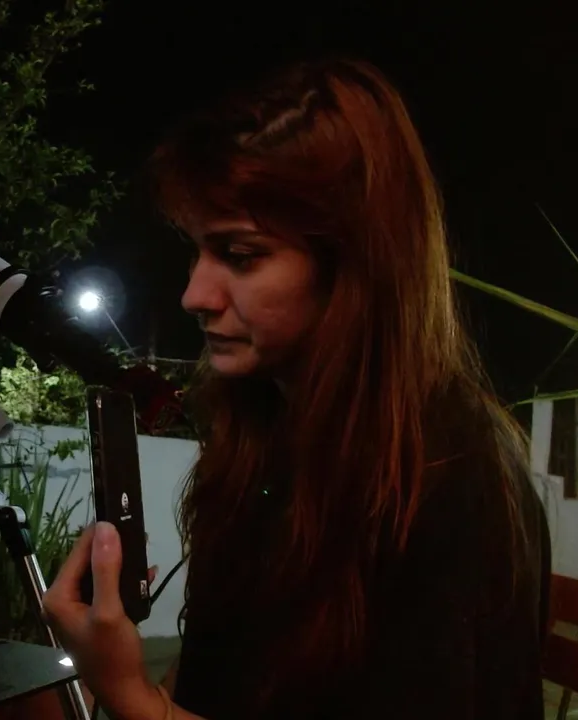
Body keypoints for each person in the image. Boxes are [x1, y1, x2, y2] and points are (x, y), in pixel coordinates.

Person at [32, 57, 551, 720]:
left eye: (240, 256)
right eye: (196, 250)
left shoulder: (447, 475)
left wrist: (130, 694)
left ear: (354, 264)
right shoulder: (271, 435)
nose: (194, 294)